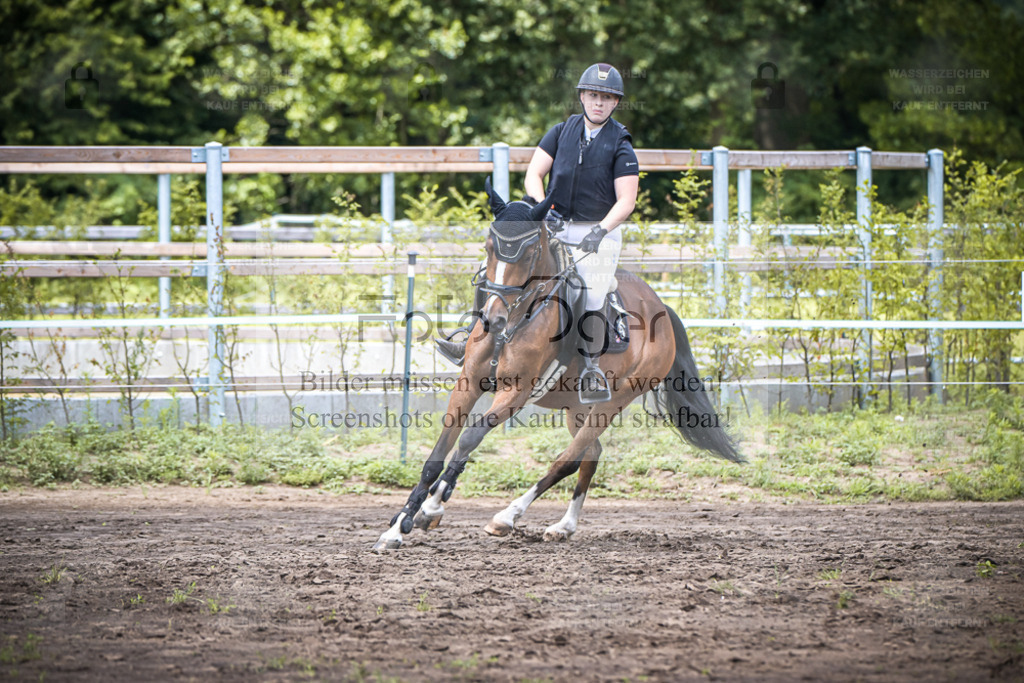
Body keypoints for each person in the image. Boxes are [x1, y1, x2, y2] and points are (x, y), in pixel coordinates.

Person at [436, 62, 639, 403]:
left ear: (615, 102)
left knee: (589, 291)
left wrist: (600, 230)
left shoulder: (621, 145)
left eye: (606, 97)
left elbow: (627, 201)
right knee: (498, 273)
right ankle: (469, 340)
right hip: (555, 226)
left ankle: (590, 369)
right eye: (593, 96)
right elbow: (534, 174)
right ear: (582, 97)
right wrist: (544, 210)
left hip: (599, 234)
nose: (598, 103)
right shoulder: (561, 131)